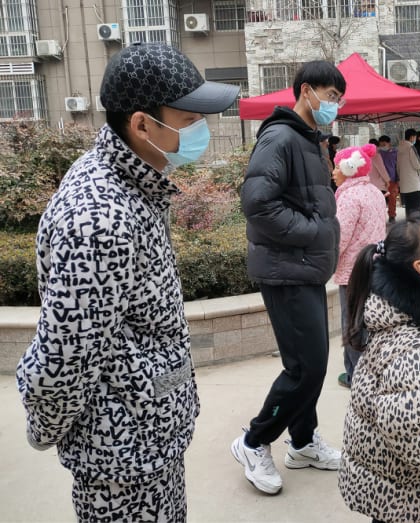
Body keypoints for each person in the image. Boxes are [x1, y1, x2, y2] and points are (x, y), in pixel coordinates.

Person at [15, 42, 239, 521]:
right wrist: (45, 427)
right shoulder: (100, 217)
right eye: (189, 119)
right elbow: (64, 357)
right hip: (122, 458)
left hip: (146, 438)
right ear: (141, 125)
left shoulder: (133, 182)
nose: (202, 129)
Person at [234, 60, 346, 495]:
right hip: (286, 271)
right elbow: (258, 205)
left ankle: (301, 442)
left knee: (311, 366)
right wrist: (313, 232)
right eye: (330, 95)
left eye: (338, 98)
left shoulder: (309, 140)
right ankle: (253, 440)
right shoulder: (280, 137)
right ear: (305, 91)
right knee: (306, 369)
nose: (334, 105)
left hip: (305, 268)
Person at [339, 213, 420, 523]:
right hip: (397, 490)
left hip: (390, 477)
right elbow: (405, 422)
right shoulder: (415, 345)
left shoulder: (412, 317)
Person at [331, 143, 387, 388]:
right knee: (367, 320)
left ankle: (357, 376)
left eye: (337, 167)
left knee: (353, 323)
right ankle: (358, 371)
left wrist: (327, 262)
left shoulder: (349, 197)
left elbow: (339, 238)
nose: (333, 172)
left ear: (349, 168)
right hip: (375, 266)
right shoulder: (374, 191)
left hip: (352, 271)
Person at [396, 128, 420, 217]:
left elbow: (397, 166)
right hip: (413, 183)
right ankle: (415, 223)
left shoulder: (399, 148)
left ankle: (409, 222)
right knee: (416, 206)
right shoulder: (411, 147)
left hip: (404, 183)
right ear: (412, 137)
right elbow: (417, 164)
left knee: (409, 207)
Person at [378, 135, 399, 223]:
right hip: (380, 180)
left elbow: (398, 166)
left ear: (389, 143)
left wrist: (398, 178)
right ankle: (379, 216)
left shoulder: (396, 152)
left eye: (384, 144)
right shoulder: (378, 153)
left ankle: (392, 215)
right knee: (379, 199)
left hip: (392, 179)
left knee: (392, 199)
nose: (382, 147)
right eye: (381, 145)